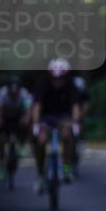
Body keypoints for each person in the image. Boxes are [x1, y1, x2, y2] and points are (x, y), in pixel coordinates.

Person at [31, 59, 81, 190]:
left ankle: (66, 168)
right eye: (55, 78)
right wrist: (36, 123)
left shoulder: (71, 85)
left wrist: (74, 122)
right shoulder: (42, 85)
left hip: (64, 117)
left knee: (67, 135)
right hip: (46, 117)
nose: (58, 81)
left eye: (61, 78)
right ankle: (41, 173)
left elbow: (75, 107)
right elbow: (37, 106)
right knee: (40, 140)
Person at [0, 76, 32, 180]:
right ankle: (2, 166)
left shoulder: (24, 94)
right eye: (12, 92)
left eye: (16, 92)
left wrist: (26, 119)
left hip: (18, 117)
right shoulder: (3, 94)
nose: (14, 94)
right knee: (1, 139)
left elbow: (28, 110)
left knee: (27, 125)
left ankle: (22, 144)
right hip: (6, 117)